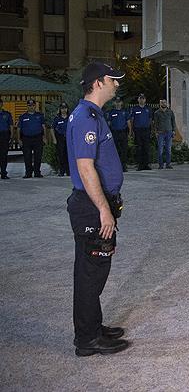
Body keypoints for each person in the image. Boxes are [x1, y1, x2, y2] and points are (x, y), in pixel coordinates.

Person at [66, 61, 129, 356]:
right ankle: (88, 339)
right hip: (92, 206)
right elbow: (85, 167)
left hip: (96, 204)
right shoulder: (85, 116)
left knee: (93, 270)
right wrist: (104, 209)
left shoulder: (92, 115)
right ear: (99, 82)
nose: (117, 85)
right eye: (113, 80)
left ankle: (92, 327)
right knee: (92, 273)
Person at [17, 98, 48, 178]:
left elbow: (43, 127)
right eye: (29, 105)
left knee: (38, 156)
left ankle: (37, 172)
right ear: (27, 106)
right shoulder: (23, 116)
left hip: (38, 138)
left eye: (33, 105)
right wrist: (19, 139)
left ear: (35, 106)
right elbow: (19, 128)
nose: (31, 107)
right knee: (27, 156)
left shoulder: (40, 116)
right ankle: (28, 173)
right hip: (26, 139)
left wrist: (44, 137)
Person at [129, 94, 152, 171]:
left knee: (146, 148)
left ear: (145, 100)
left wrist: (150, 129)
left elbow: (150, 120)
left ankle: (146, 165)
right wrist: (131, 131)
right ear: (138, 100)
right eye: (140, 98)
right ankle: (140, 165)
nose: (142, 100)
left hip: (146, 130)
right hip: (137, 130)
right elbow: (132, 120)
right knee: (139, 148)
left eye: (143, 98)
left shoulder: (148, 108)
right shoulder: (134, 109)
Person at [106, 99, 130, 172]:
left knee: (124, 150)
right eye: (116, 102)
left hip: (123, 132)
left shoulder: (125, 112)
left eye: (119, 102)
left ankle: (123, 166)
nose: (118, 103)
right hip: (114, 133)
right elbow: (109, 124)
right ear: (114, 103)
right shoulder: (111, 112)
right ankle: (116, 166)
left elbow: (128, 123)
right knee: (116, 150)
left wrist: (130, 132)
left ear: (121, 103)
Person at [153, 99, 176, 169]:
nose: (163, 104)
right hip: (160, 133)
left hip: (169, 132)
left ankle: (168, 164)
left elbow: (173, 121)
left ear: (167, 103)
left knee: (168, 149)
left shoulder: (170, 112)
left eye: (164, 102)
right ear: (160, 104)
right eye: (162, 103)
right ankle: (161, 165)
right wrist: (156, 132)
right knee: (160, 149)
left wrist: (174, 130)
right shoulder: (157, 113)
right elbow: (155, 123)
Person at [52, 103, 71, 176]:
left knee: (68, 155)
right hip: (60, 138)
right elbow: (52, 129)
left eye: (65, 108)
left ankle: (69, 171)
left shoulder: (70, 118)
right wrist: (54, 139)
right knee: (61, 155)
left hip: (69, 139)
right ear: (60, 109)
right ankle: (62, 171)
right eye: (62, 108)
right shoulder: (57, 118)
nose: (64, 110)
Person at [0, 98, 11, 179]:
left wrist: (11, 137)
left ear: (2, 104)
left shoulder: (7, 114)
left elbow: (10, 126)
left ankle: (3, 173)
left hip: (4, 135)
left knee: (4, 155)